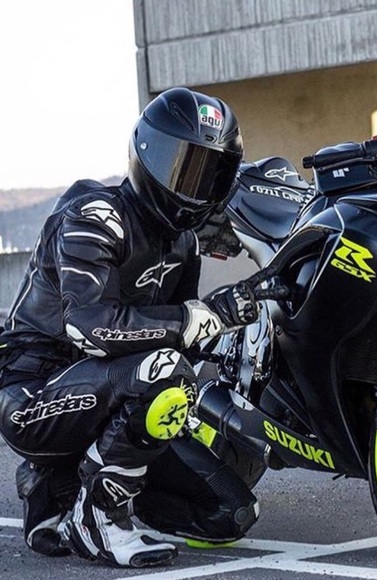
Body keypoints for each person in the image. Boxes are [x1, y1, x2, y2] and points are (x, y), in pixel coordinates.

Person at [0, 88, 284, 568]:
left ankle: (61, 490)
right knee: (163, 371)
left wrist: (231, 326)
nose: (196, 188)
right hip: (32, 393)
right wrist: (194, 318)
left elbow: (183, 340)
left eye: (211, 173)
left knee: (227, 512)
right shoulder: (95, 216)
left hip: (117, 391)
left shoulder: (185, 244)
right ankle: (96, 516)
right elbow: (89, 327)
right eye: (184, 169)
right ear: (147, 155)